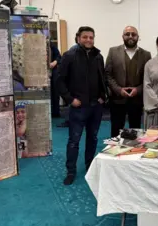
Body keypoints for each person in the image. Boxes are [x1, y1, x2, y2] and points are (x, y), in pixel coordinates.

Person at [56, 26, 108, 185]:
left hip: (95, 106)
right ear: (78, 38)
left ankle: (89, 166)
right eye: (85, 37)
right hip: (78, 107)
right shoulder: (69, 56)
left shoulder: (98, 56)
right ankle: (70, 171)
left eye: (91, 37)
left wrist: (102, 96)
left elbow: (102, 79)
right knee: (74, 140)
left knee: (92, 138)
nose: (88, 40)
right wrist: (70, 99)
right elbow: (59, 81)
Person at [105, 26, 152, 137]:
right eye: (127, 34)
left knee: (135, 130)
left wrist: (138, 90)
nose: (130, 36)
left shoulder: (146, 55)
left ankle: (133, 152)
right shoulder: (113, 51)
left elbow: (148, 78)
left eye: (133, 34)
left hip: (136, 99)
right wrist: (118, 90)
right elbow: (107, 74)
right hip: (117, 99)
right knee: (116, 130)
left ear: (138, 37)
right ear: (123, 36)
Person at [57, 33, 81, 128]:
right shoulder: (74, 51)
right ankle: (69, 121)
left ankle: (69, 121)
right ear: (78, 39)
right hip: (72, 83)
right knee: (71, 103)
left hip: (72, 83)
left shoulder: (73, 49)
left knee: (71, 104)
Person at [49, 43, 61, 117]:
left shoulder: (51, 45)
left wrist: (55, 62)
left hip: (53, 70)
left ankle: (55, 112)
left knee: (55, 92)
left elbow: (59, 56)